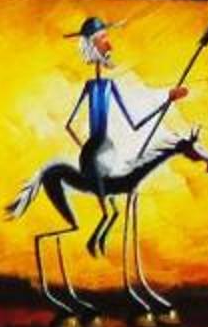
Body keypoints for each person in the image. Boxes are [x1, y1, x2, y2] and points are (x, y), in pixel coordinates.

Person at [63, 15, 187, 193]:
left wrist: (167, 101)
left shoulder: (102, 86)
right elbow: (69, 126)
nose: (109, 46)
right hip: (100, 159)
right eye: (103, 39)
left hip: (103, 157)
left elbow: (69, 126)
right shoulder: (97, 86)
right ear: (91, 45)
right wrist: (89, 152)